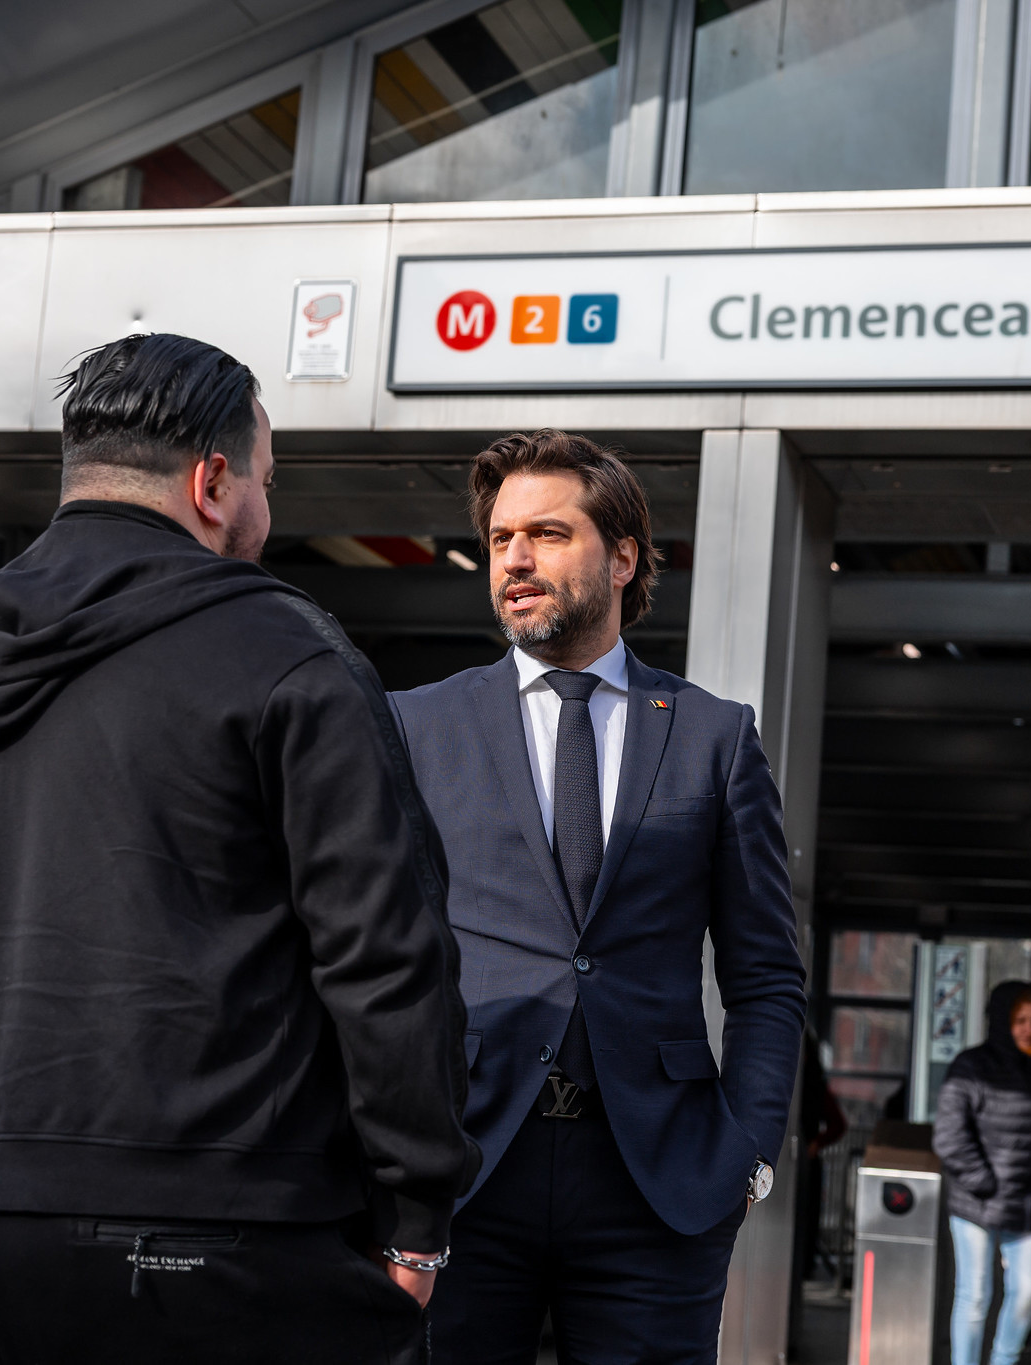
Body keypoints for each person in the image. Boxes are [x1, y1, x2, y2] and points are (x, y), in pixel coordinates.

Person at [0, 333, 480, 1364]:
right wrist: (418, 1220)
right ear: (212, 482)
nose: (268, 513)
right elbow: (385, 956)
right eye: (266, 482)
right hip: (207, 1228)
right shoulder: (286, 658)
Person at [391, 429, 807, 1363]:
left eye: (546, 533)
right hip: (464, 1175)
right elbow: (366, 952)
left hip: (657, 1185)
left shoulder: (713, 736)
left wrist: (744, 1157)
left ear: (622, 557)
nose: (515, 560)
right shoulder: (417, 725)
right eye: (500, 539)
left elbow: (767, 974)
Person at [934, 983, 1031, 1365]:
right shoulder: (970, 1065)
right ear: (1001, 1021)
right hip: (976, 1200)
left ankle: (1003, 1360)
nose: (1029, 1029)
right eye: (1020, 1020)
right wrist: (984, 1182)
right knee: (974, 1294)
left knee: (1028, 1291)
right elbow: (948, 1136)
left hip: (1025, 1202)